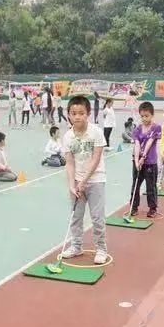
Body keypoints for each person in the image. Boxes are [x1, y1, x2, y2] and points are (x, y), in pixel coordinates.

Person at [62, 95, 108, 265]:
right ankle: (76, 246)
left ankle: (101, 248)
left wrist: (83, 181)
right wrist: (72, 185)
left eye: (81, 113)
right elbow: (69, 163)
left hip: (96, 180)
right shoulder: (67, 137)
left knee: (97, 217)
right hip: (77, 183)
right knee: (76, 216)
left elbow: (96, 159)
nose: (77, 116)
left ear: (88, 113)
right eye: (73, 113)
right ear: (69, 115)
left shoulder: (96, 132)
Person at [130, 102, 161, 218]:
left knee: (150, 186)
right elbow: (137, 144)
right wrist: (137, 161)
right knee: (135, 184)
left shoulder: (156, 128)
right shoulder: (137, 129)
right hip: (138, 162)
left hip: (150, 163)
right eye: (142, 116)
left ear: (152, 115)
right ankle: (133, 207)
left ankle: (152, 208)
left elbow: (149, 142)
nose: (144, 118)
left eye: (146, 116)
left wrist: (143, 158)